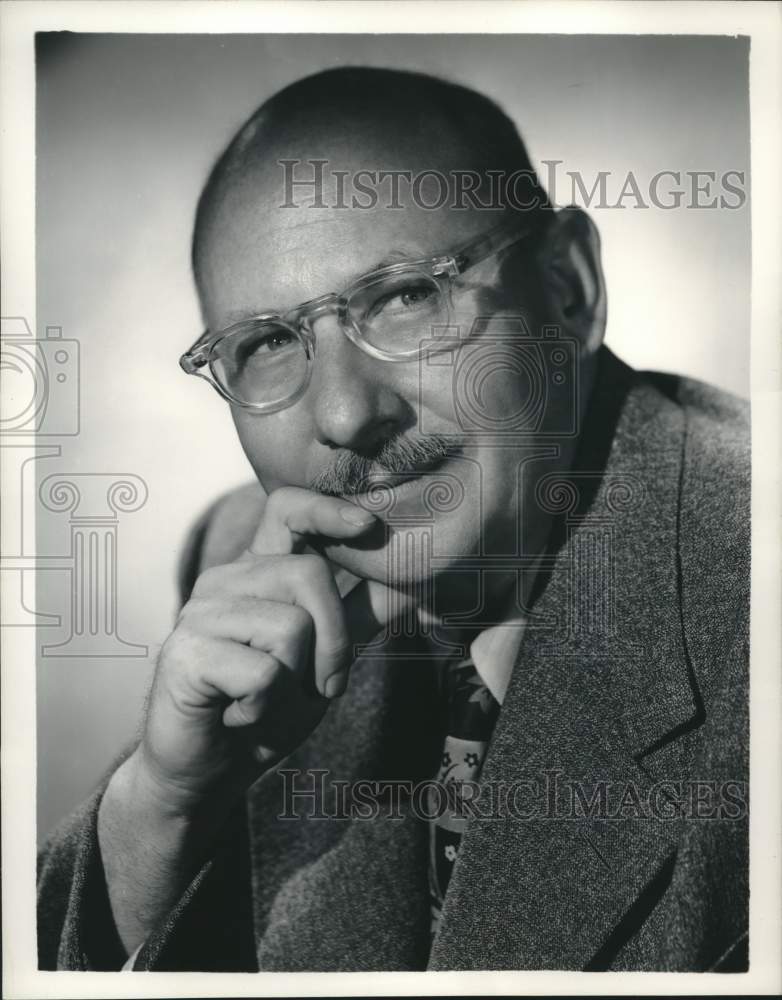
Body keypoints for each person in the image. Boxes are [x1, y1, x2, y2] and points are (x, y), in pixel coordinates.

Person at [37, 66, 749, 972]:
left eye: (406, 296)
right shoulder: (246, 568)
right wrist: (165, 807)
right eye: (265, 344)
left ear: (567, 289)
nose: (343, 416)